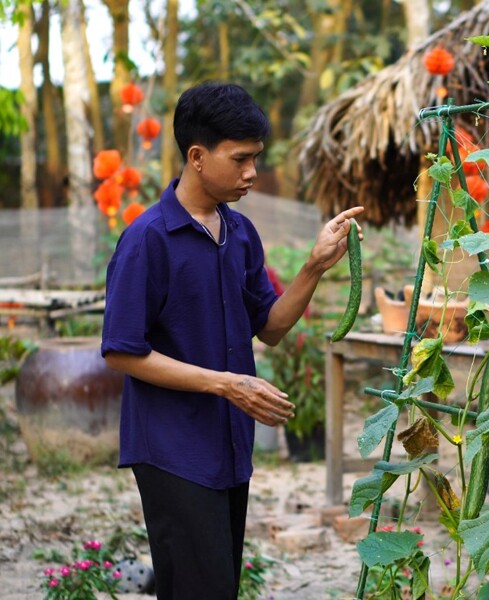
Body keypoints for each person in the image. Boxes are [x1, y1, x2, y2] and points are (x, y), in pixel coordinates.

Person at [101, 81, 363, 599]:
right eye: (240, 159)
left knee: (218, 587)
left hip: (228, 445)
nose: (252, 173)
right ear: (197, 157)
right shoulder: (147, 239)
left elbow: (270, 327)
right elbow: (121, 350)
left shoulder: (239, 232)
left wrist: (313, 266)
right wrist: (225, 385)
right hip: (171, 449)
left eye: (256, 158)